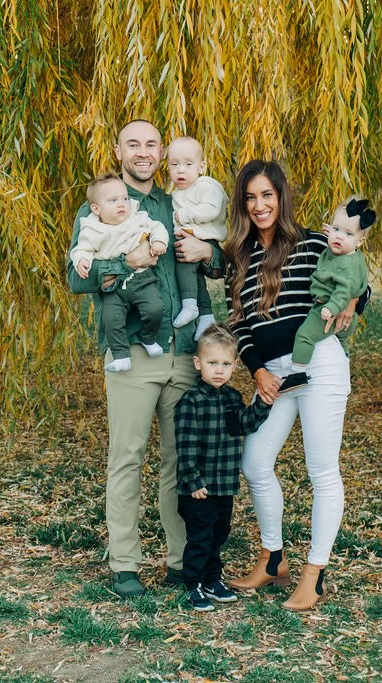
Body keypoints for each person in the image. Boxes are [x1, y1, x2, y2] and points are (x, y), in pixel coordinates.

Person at [66, 120, 222, 599]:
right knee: (127, 458)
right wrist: (123, 263)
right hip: (132, 354)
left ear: (161, 153)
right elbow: (76, 278)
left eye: (152, 144)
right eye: (133, 144)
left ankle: (181, 562)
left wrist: (208, 250)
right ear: (119, 152)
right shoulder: (99, 206)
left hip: (184, 353)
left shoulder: (178, 202)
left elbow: (217, 259)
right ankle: (125, 565)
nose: (143, 152)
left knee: (181, 462)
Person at [223, 160, 366, 612]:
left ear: (281, 197)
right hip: (273, 373)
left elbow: (357, 278)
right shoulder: (239, 256)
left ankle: (314, 575)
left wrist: (354, 302)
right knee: (254, 462)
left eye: (267, 195)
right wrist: (257, 371)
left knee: (321, 470)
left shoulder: (313, 243)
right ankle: (273, 559)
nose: (259, 205)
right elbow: (239, 324)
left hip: (319, 363)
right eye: (251, 197)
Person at [174, 324, 273, 611]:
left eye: (226, 364)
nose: (219, 370)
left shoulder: (232, 398)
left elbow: (245, 425)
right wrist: (193, 481)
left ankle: (212, 579)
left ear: (234, 366)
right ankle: (193, 584)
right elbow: (185, 446)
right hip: (198, 488)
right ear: (198, 363)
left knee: (219, 534)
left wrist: (263, 403)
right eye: (212, 363)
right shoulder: (190, 401)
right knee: (200, 537)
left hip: (224, 485)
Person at [70, 173, 170, 372]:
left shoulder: (137, 216)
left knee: (154, 308)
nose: (122, 204)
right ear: (96, 209)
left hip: (142, 279)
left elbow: (156, 227)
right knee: (112, 320)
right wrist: (82, 260)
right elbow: (83, 249)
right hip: (113, 288)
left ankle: (149, 338)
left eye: (124, 198)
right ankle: (121, 356)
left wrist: (159, 241)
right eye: (113, 200)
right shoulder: (92, 228)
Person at [279, 198, 373, 392]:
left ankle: (297, 373)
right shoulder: (347, 253)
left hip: (327, 309)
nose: (339, 237)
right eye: (336, 229)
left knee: (304, 335)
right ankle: (344, 367)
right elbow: (340, 239)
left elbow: (345, 290)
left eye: (348, 233)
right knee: (342, 341)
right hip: (345, 318)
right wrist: (336, 233)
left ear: (360, 241)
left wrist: (332, 308)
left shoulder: (346, 265)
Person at [165, 136, 229, 340]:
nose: (180, 170)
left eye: (188, 164)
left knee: (184, 263)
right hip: (194, 236)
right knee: (195, 278)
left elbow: (212, 209)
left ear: (201, 167)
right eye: (174, 164)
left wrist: (183, 216)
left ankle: (190, 306)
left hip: (205, 237)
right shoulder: (178, 192)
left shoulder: (206, 185)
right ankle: (206, 316)